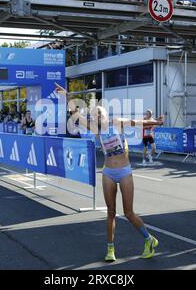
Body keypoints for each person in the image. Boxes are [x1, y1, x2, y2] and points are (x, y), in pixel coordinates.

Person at [59, 85, 164, 262]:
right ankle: (110, 249)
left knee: (129, 213)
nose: (97, 116)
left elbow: (139, 122)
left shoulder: (117, 122)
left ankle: (149, 239)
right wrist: (66, 97)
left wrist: (157, 122)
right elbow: (75, 115)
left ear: (106, 114)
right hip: (108, 172)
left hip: (124, 171)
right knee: (111, 212)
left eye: (99, 113)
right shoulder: (96, 129)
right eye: (94, 115)